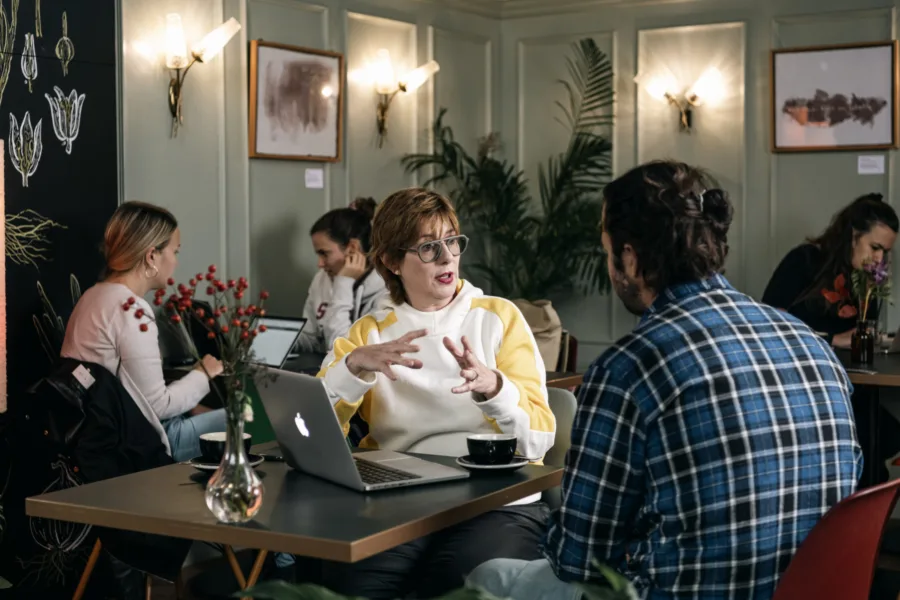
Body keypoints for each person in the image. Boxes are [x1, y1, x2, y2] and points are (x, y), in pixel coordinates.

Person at [468, 161, 862, 600]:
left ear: (630, 258)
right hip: (804, 590)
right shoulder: (810, 342)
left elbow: (579, 559)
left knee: (489, 577)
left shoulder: (628, 368)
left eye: (607, 251)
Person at [315, 187, 556, 599]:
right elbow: (318, 436)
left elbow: (537, 441)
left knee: (454, 588)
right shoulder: (368, 332)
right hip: (400, 498)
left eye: (452, 241)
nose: (447, 258)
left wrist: (494, 389)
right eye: (428, 247)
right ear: (391, 261)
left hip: (495, 500)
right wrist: (352, 368)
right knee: (351, 587)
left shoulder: (498, 318)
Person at [61, 201, 225, 462]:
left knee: (207, 411)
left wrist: (191, 402)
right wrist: (203, 373)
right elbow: (158, 406)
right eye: (175, 251)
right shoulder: (131, 310)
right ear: (151, 256)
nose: (176, 262)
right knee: (247, 418)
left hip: (99, 433)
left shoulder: (92, 296)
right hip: (139, 444)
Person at [762, 193, 898, 348]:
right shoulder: (805, 259)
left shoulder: (866, 279)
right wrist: (832, 340)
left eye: (885, 252)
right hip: (801, 359)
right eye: (874, 247)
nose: (879, 259)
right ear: (853, 236)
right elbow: (768, 323)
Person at [295, 197, 389, 354]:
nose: (320, 264)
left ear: (352, 248)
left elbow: (343, 352)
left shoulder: (389, 291)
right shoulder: (321, 279)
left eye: (324, 253)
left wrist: (343, 283)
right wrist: (276, 338)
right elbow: (311, 337)